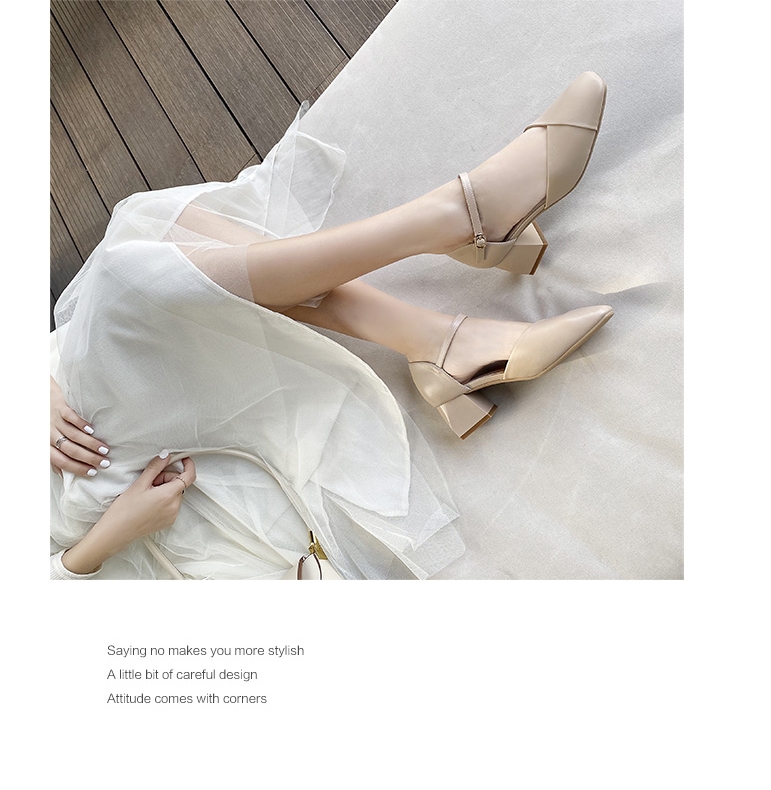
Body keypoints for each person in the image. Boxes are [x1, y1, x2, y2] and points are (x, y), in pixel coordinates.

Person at [50, 72, 611, 580]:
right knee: (129, 276)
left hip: (57, 405)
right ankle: (456, 227)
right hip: (88, 478)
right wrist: (96, 548)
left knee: (153, 228)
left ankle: (437, 334)